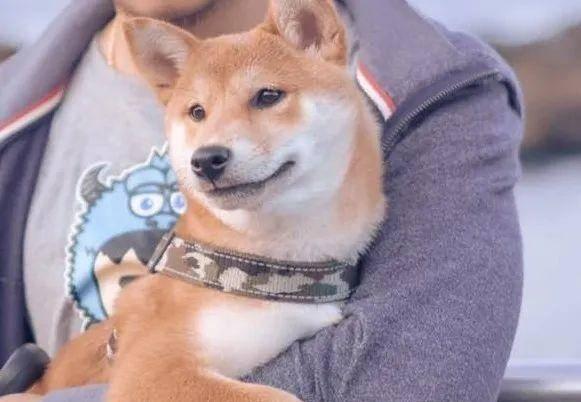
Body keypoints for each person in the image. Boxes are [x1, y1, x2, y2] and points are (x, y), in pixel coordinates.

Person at [0, 0, 524, 401]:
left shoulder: (440, 91)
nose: (214, 145)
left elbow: (419, 380)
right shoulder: (13, 113)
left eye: (266, 98)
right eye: (197, 114)